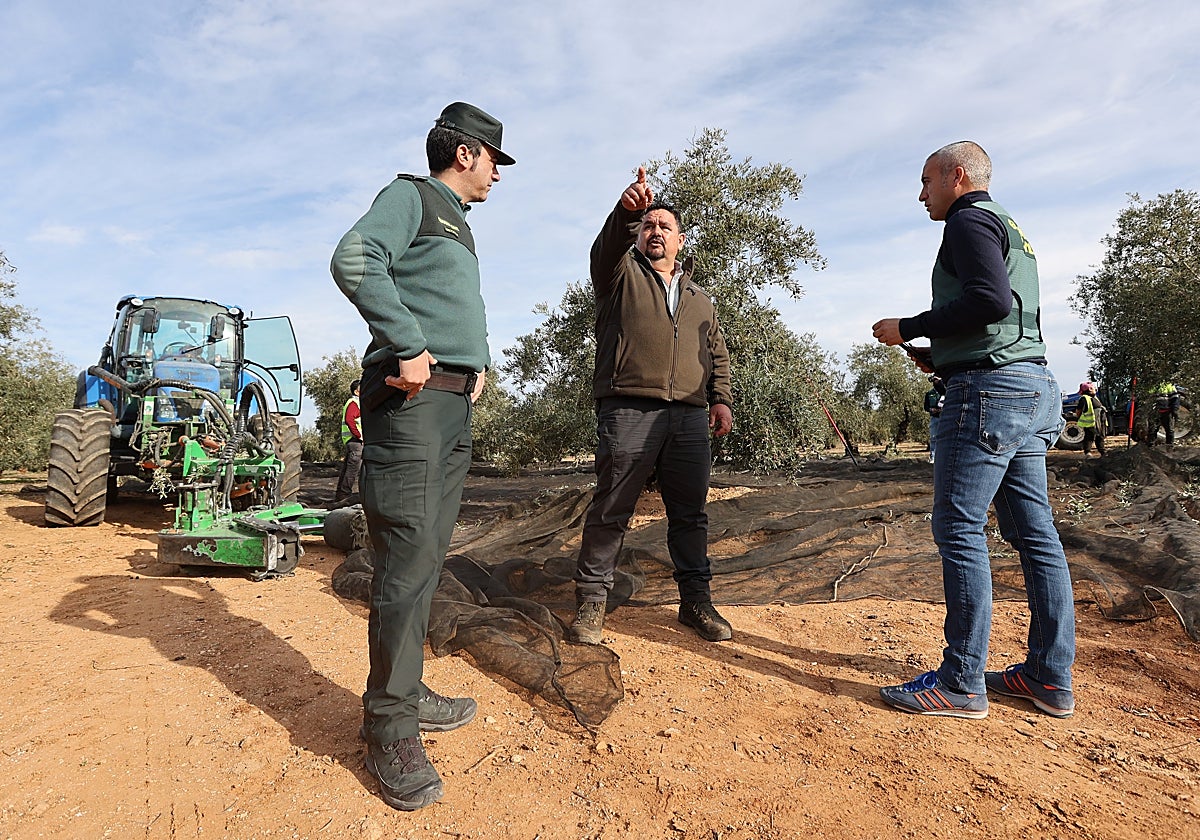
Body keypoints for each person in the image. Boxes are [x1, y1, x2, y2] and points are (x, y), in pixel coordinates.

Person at [330, 102, 514, 810]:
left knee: (427, 558)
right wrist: (407, 342)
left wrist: (473, 370)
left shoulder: (457, 224)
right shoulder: (411, 196)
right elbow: (354, 257)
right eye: (495, 159)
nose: (498, 173)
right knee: (406, 559)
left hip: (450, 407)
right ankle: (388, 727)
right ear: (465, 153)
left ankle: (405, 689)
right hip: (411, 408)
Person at [870, 141, 1075, 720]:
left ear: (957, 177)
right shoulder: (1010, 227)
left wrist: (907, 325)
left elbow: (989, 299)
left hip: (989, 397)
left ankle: (960, 682)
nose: (921, 194)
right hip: (1030, 386)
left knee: (958, 528)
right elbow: (1003, 314)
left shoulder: (967, 221)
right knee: (1036, 536)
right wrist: (944, 355)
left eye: (926, 182)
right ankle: (1048, 677)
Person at [569, 167, 735, 646]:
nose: (655, 231)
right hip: (628, 409)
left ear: (681, 241)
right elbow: (603, 251)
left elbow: (715, 351)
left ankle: (696, 603)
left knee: (690, 513)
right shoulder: (619, 276)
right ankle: (592, 604)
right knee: (612, 508)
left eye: (664, 226)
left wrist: (720, 398)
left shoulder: (701, 298)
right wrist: (627, 210)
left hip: (687, 414)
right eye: (648, 226)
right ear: (638, 236)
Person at [333, 379, 362, 501]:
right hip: (355, 441)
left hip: (352, 440)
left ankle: (341, 495)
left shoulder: (354, 402)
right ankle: (345, 495)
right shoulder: (354, 403)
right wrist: (359, 435)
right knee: (352, 469)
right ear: (356, 392)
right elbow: (350, 420)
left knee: (348, 468)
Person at [1073, 382, 1106, 458]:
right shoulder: (1084, 398)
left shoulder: (1094, 398)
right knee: (1089, 436)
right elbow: (1078, 411)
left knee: (1100, 436)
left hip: (1099, 422)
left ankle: (1103, 452)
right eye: (1094, 388)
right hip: (1091, 422)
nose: (1096, 389)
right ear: (1090, 389)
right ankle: (1088, 453)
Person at [923, 375, 945, 463]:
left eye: (937, 380)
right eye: (934, 380)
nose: (935, 382)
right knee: (933, 438)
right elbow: (926, 407)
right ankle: (933, 457)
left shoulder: (946, 392)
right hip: (934, 418)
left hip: (944, 417)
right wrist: (931, 409)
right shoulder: (929, 394)